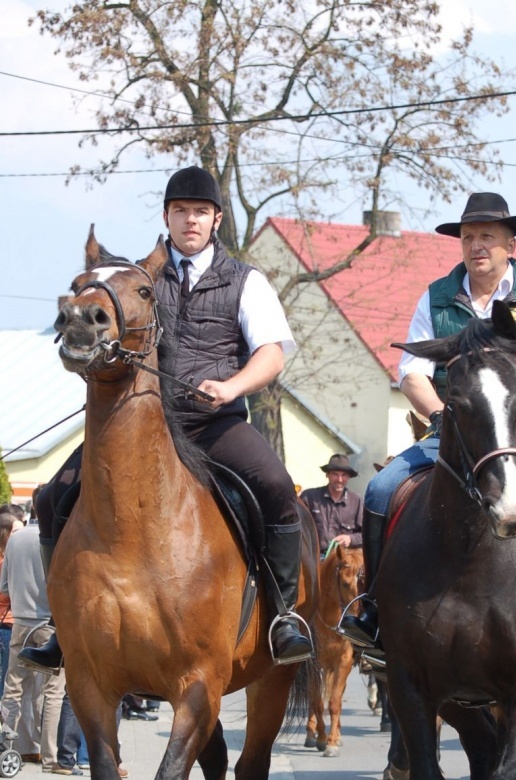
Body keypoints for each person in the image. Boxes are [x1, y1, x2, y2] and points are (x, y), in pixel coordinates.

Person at [21, 165, 312, 671]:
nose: (190, 220)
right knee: (51, 496)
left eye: (200, 212)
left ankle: (284, 615)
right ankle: (60, 624)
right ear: (167, 217)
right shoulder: (135, 280)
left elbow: (272, 354)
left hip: (213, 421)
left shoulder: (246, 281)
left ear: (216, 219)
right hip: (138, 424)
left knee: (276, 484)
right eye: (181, 211)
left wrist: (231, 387)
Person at [340, 191, 516, 655]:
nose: (477, 246)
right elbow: (411, 373)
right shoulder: (435, 297)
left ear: (510, 245)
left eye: (488, 237)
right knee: (378, 490)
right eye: (469, 237)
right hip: (449, 434)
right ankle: (372, 608)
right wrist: (439, 414)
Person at [0, 488, 66, 770]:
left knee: (13, 689)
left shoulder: (15, 538)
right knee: (53, 691)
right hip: (51, 624)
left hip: (20, 621)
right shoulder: (57, 538)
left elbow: (3, 586)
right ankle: (50, 757)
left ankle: (10, 746)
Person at [300, 453, 363, 555]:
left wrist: (350, 539)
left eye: (344, 475)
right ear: (327, 474)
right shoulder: (309, 497)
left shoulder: (357, 501)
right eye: (335, 474)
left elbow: (368, 535)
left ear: (349, 477)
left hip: (343, 561)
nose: (339, 480)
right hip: (314, 559)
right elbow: (295, 526)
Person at [0, 512, 23, 695]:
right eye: (16, 531)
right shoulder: (7, 562)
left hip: (8, 623)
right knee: (7, 680)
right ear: (5, 533)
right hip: (7, 624)